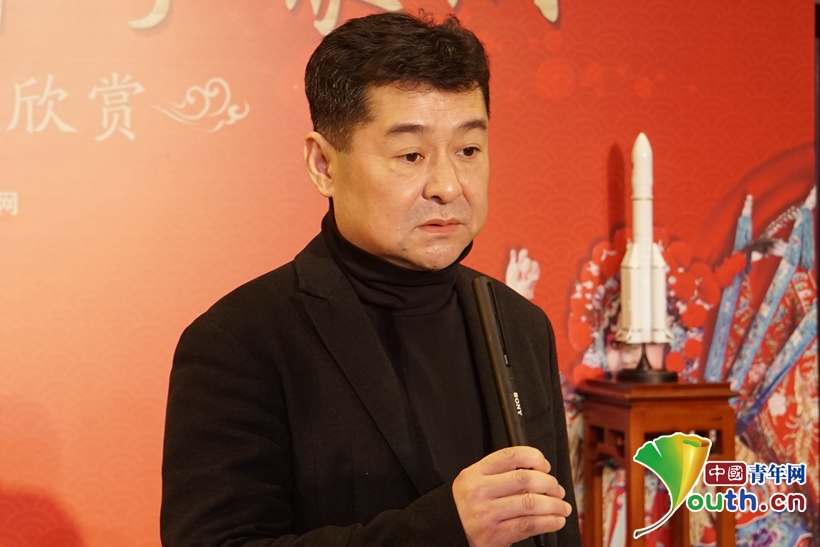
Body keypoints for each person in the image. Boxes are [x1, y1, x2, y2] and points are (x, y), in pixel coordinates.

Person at [161, 11, 581, 547]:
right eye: (411, 154)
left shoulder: (519, 324)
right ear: (323, 164)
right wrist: (442, 529)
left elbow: (554, 529)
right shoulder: (240, 341)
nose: (448, 186)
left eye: (468, 150)